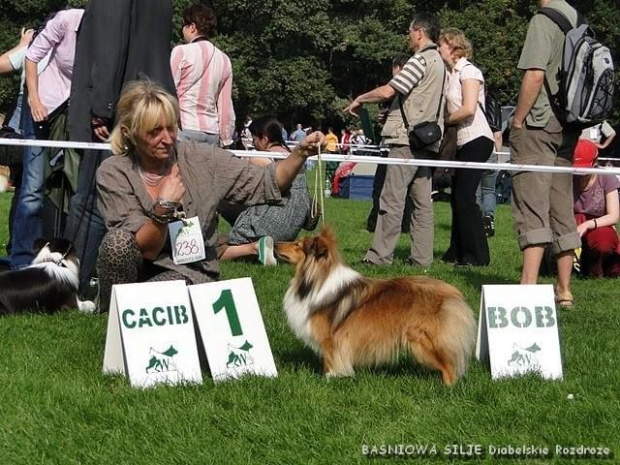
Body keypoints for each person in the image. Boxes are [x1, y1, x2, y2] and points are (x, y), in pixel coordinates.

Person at [95, 81, 324, 313]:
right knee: (116, 244)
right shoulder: (113, 172)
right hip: (142, 264)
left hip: (189, 270)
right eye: (154, 131)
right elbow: (147, 250)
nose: (167, 138)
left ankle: (129, 312)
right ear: (129, 133)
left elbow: (268, 181)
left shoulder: (202, 159)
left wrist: (300, 153)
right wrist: (164, 207)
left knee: (156, 296)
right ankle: (115, 316)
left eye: (171, 128)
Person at [65, 0, 177, 297]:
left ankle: (72, 287)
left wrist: (103, 106)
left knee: (89, 202)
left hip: (121, 107)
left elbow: (111, 42)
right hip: (151, 99)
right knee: (147, 197)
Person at [345, 12, 446, 267]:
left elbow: (390, 89)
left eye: (409, 31)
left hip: (405, 142)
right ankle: (422, 259)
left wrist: (360, 98)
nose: (408, 36)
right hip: (427, 141)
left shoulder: (419, 60)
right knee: (422, 204)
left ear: (420, 33)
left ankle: (379, 256)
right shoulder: (440, 62)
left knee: (391, 200)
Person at [510, 0, 581, 304]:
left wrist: (517, 119)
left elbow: (535, 74)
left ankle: (528, 287)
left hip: (539, 121)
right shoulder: (576, 17)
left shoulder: (543, 20)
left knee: (531, 203)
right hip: (569, 123)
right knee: (561, 203)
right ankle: (564, 290)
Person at [10, 9, 83, 270]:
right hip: (42, 108)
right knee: (32, 189)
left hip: (75, 114)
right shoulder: (66, 20)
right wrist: (34, 98)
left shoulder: (111, 34)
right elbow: (30, 56)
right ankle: (20, 262)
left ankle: (71, 261)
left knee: (76, 188)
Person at [218, 115, 311, 264]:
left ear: (265, 139)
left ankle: (250, 245)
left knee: (221, 200)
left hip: (269, 223)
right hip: (293, 228)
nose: (254, 143)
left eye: (255, 138)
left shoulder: (259, 158)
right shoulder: (294, 157)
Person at [438, 28, 493, 266]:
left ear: (451, 46)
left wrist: (445, 121)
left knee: (464, 196)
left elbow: (469, 108)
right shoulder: (450, 74)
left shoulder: (469, 71)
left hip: (477, 138)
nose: (438, 49)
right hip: (462, 141)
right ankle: (457, 251)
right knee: (457, 198)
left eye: (441, 44)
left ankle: (477, 256)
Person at [171, 3, 235, 147]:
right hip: (212, 133)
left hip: (185, 128)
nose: (182, 30)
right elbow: (225, 105)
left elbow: (169, 92)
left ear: (192, 26)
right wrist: (225, 137)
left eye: (183, 25)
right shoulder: (224, 60)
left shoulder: (181, 52)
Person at [572, 139, 620, 279]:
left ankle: (594, 266)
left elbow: (614, 216)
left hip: (598, 224)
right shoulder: (567, 177)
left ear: (595, 162)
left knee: (603, 242)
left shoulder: (606, 178)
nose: (580, 173)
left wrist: (587, 224)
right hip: (573, 221)